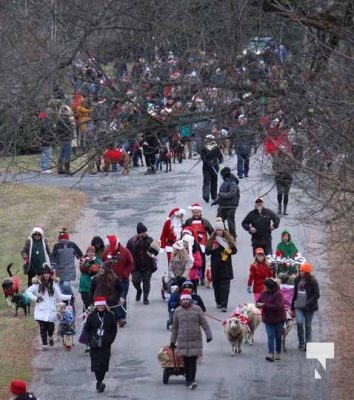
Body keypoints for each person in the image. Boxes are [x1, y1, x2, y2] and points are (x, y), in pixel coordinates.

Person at [170, 290, 212, 389]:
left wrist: (208, 335)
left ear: (190, 299)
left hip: (195, 338)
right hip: (182, 339)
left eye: (187, 299)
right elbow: (175, 327)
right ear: (181, 300)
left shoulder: (197, 309)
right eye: (183, 299)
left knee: (192, 361)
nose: (185, 301)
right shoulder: (177, 311)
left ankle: (192, 380)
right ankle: (188, 380)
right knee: (186, 361)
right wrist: (172, 341)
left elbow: (204, 323)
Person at [25, 264, 72, 351]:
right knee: (42, 328)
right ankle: (44, 345)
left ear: (50, 274)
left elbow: (59, 296)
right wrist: (36, 298)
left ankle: (50, 336)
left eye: (48, 273)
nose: (46, 275)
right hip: (41, 311)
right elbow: (28, 291)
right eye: (44, 273)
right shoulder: (37, 285)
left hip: (51, 311)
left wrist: (70, 297)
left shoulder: (54, 285)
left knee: (51, 327)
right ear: (42, 274)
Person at [84, 296, 117, 393]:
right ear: (96, 306)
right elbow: (87, 329)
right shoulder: (91, 316)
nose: (101, 307)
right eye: (99, 305)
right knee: (96, 364)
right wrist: (90, 340)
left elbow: (114, 329)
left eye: (103, 305)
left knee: (104, 363)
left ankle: (100, 380)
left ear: (105, 305)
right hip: (95, 343)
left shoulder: (110, 315)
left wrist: (110, 339)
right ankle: (99, 382)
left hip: (106, 344)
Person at [205, 218, 237, 312]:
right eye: (217, 230)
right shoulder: (212, 239)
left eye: (220, 230)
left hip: (226, 266)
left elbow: (235, 250)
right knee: (216, 285)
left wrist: (229, 251)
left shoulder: (228, 239)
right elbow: (207, 252)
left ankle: (224, 304)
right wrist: (213, 249)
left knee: (225, 286)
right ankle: (218, 301)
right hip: (215, 265)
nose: (218, 232)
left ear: (223, 230)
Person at [102, 235, 133, 327]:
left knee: (122, 298)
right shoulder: (106, 252)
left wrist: (125, 274)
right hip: (110, 280)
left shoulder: (125, 252)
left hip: (122, 279)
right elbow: (102, 263)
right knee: (112, 298)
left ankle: (122, 317)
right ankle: (114, 317)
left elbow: (130, 264)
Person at [126, 223, 158, 305]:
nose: (144, 233)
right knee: (135, 281)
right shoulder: (132, 241)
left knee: (146, 282)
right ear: (138, 232)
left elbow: (155, 251)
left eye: (145, 231)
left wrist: (155, 251)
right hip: (136, 265)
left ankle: (145, 298)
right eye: (142, 232)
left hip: (148, 265)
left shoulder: (150, 240)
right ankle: (139, 290)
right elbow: (127, 252)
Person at [291, 262, 320, 351]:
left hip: (309, 308)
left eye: (302, 271)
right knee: (299, 323)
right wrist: (292, 305)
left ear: (307, 272)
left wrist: (308, 302)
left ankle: (308, 343)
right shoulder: (297, 280)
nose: (300, 273)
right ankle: (301, 342)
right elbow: (295, 293)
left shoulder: (313, 281)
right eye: (300, 271)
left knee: (308, 325)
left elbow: (317, 294)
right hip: (299, 306)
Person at [256, 278, 286, 361]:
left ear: (269, 287)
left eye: (265, 286)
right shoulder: (264, 293)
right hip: (268, 319)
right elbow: (258, 301)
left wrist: (264, 305)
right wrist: (258, 304)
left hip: (279, 319)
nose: (264, 288)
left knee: (278, 336)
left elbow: (279, 307)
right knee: (270, 336)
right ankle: (271, 353)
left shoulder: (278, 294)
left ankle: (278, 352)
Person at [184, 203, 214, 285]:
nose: (196, 214)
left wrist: (212, 242)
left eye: (197, 212)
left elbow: (212, 232)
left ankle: (202, 277)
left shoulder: (205, 222)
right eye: (194, 212)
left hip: (202, 243)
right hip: (191, 242)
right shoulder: (188, 221)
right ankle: (192, 276)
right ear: (192, 213)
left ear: (200, 212)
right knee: (191, 259)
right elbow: (184, 231)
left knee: (202, 260)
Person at [50, 228, 83, 296]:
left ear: (67, 238)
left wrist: (81, 260)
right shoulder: (57, 246)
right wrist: (52, 265)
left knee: (66, 284)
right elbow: (53, 256)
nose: (63, 241)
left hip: (69, 269)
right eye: (61, 239)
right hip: (60, 269)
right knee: (61, 285)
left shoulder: (72, 245)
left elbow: (79, 254)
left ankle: (71, 296)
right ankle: (66, 301)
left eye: (65, 239)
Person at [212, 166, 240, 238]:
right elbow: (221, 195)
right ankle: (225, 233)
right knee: (219, 220)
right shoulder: (225, 182)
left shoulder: (233, 183)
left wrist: (221, 195)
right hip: (223, 205)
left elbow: (231, 194)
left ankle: (232, 235)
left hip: (231, 206)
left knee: (230, 221)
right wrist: (216, 201)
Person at [200, 134, 224, 203]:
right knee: (206, 181)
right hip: (206, 167)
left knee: (214, 182)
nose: (207, 141)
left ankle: (214, 196)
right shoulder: (204, 148)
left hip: (214, 167)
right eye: (207, 140)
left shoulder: (216, 148)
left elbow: (220, 156)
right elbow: (202, 157)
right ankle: (206, 196)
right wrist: (207, 161)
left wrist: (220, 161)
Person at [79, 246, 102, 310]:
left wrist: (96, 269)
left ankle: (92, 318)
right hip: (84, 287)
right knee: (86, 305)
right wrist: (89, 268)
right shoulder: (83, 260)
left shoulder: (98, 260)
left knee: (93, 305)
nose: (90, 254)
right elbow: (81, 268)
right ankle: (85, 319)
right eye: (89, 252)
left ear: (94, 253)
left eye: (92, 252)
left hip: (94, 287)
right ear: (87, 253)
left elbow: (101, 270)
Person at [56, 104, 76, 175]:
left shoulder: (59, 120)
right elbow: (70, 129)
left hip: (61, 139)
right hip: (67, 138)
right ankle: (67, 169)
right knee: (67, 154)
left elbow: (57, 130)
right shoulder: (67, 120)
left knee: (61, 154)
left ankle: (60, 168)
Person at [273, 148, 293, 215]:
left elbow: (294, 167)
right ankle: (280, 208)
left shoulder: (290, 158)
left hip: (287, 178)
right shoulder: (276, 158)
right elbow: (274, 167)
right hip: (280, 178)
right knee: (280, 193)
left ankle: (284, 209)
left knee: (285, 194)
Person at [234, 114, 253, 178]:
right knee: (240, 160)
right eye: (240, 120)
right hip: (239, 147)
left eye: (243, 119)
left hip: (247, 147)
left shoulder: (249, 128)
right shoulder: (236, 128)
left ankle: (246, 172)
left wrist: (254, 145)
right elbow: (233, 137)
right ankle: (240, 173)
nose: (242, 121)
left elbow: (252, 137)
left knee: (247, 160)